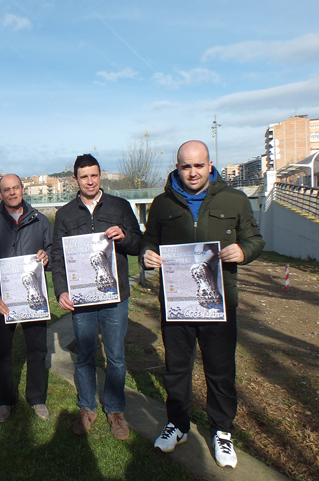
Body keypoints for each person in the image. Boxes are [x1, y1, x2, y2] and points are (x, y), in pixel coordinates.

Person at [141, 140, 264, 468]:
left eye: (198, 165)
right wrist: (146, 254)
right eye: (186, 166)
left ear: (210, 165)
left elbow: (254, 239)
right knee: (177, 369)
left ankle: (222, 431)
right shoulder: (162, 204)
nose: (192, 172)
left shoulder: (235, 200)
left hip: (219, 303)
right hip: (177, 303)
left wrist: (244, 251)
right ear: (177, 167)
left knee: (220, 371)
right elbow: (148, 241)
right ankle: (178, 424)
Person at [51, 154, 142, 440]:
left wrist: (124, 236)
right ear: (75, 180)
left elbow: (138, 244)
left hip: (115, 297)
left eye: (94, 175)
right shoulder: (65, 215)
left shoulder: (120, 206)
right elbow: (57, 256)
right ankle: (87, 407)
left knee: (115, 356)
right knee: (85, 355)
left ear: (100, 175)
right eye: (84, 176)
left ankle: (115, 410)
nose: (90, 181)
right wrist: (61, 289)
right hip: (82, 299)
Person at [0, 174, 53, 422]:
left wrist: (47, 257)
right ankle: (5, 399)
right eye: (6, 189)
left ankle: (37, 399)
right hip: (2, 302)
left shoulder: (41, 221)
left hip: (33, 300)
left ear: (23, 189)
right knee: (2, 353)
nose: (12, 192)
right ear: (0, 194)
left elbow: (54, 252)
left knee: (37, 350)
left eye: (15, 187)